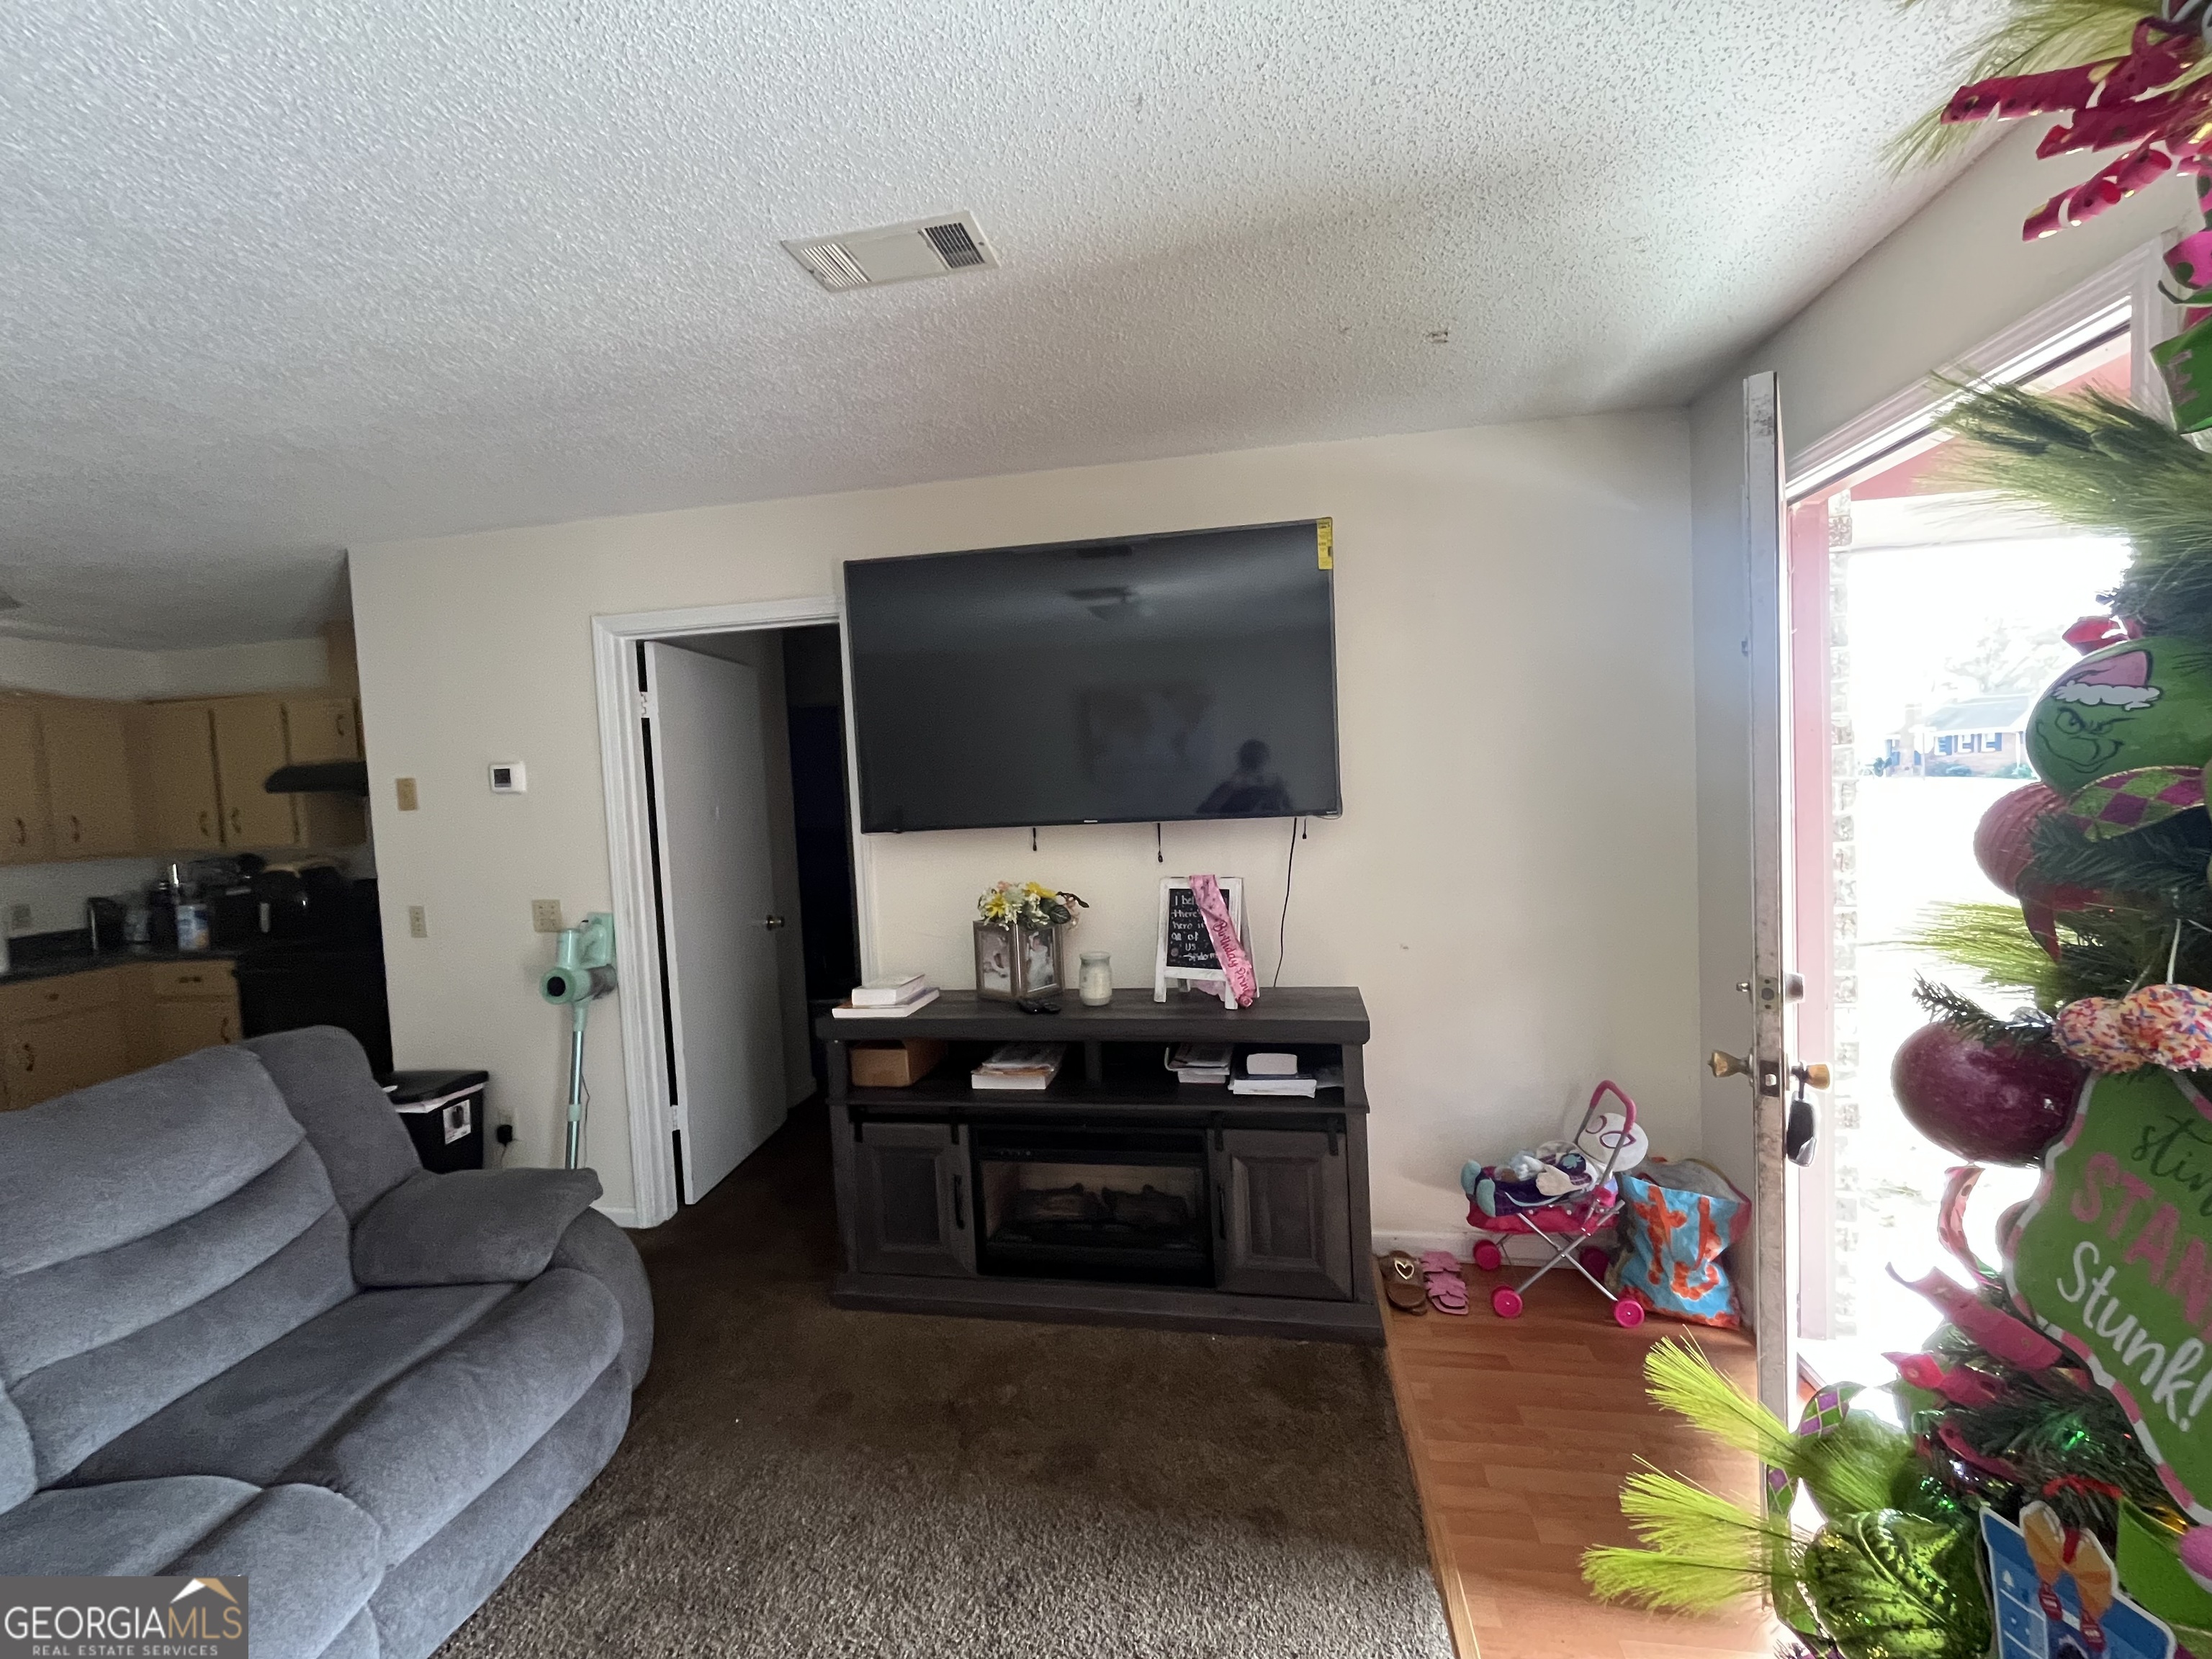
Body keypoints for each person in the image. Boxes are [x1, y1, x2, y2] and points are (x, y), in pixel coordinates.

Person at [1197, 739, 1292, 816]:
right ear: (1242, 760)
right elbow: (1203, 814)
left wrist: (1280, 791)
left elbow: (1290, 817)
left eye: (1259, 759)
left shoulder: (1274, 788)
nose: (1255, 764)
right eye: (1250, 759)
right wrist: (1231, 788)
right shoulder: (1229, 787)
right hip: (1234, 837)